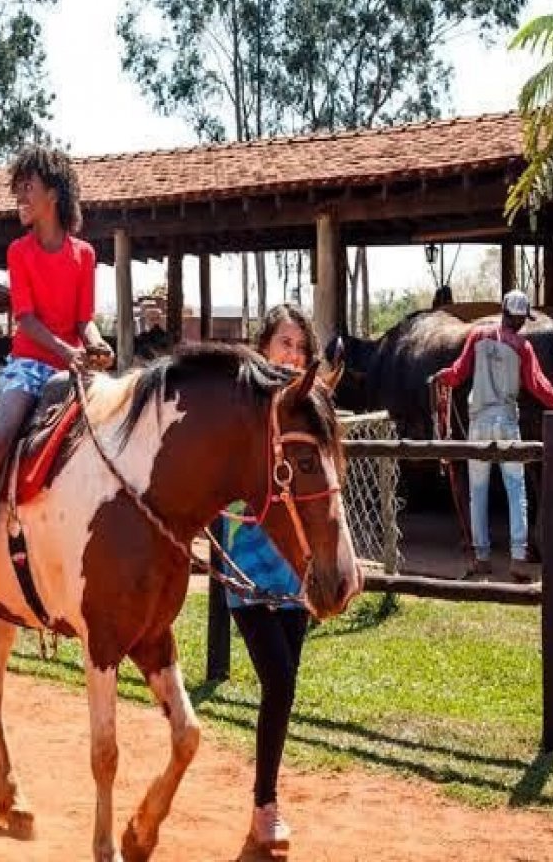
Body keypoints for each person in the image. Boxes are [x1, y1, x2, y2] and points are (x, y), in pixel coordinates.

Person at [0, 145, 114, 588]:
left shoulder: (85, 255)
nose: (20, 197)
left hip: (72, 367)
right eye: (18, 189)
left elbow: (83, 319)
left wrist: (95, 342)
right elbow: (26, 319)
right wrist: (67, 352)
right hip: (30, 365)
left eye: (27, 187)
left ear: (53, 193)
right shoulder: (19, 252)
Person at [218, 304, 318, 855]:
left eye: (301, 348)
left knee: (284, 689)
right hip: (247, 569)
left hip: (295, 573)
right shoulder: (241, 410)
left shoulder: (309, 414)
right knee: (278, 681)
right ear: (263, 348)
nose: (293, 356)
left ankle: (264, 801)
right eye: (284, 343)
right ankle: (266, 806)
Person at [430, 290, 553, 581]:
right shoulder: (523, 347)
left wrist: (440, 376)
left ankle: (481, 557)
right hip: (507, 421)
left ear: (504, 311)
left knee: (477, 492)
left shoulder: (477, 336)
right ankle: (518, 558)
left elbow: (457, 374)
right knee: (516, 491)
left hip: (478, 424)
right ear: (520, 318)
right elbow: (542, 389)